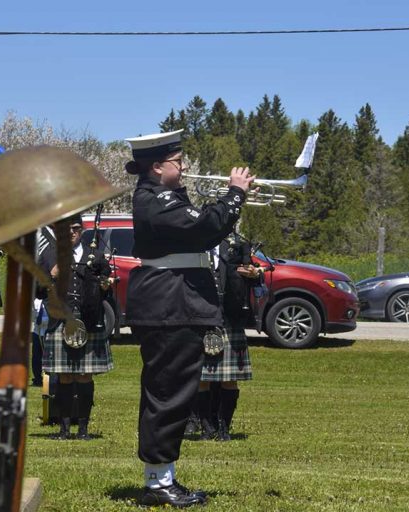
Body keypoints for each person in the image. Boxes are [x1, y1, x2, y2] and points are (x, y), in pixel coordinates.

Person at [124, 129, 252, 507]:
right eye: (179, 162)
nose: (185, 167)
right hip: (169, 304)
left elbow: (204, 226)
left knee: (173, 392)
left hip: (175, 302)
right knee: (168, 392)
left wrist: (232, 202)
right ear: (158, 166)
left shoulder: (165, 197)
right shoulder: (155, 198)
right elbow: (204, 228)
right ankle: (159, 483)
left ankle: (161, 478)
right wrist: (235, 194)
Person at [38, 214, 113, 440]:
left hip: (88, 322)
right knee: (64, 377)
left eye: (76, 228)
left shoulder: (96, 256)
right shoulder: (48, 255)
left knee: (84, 376)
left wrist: (105, 285)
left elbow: (106, 286)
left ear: (82, 230)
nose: (71, 232)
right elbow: (37, 291)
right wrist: (50, 276)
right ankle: (63, 429)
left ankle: (83, 429)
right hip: (60, 321)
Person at [196, 232, 261, 441]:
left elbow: (255, 275)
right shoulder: (194, 245)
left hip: (231, 318)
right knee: (201, 379)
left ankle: (224, 427)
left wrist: (254, 273)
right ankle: (207, 427)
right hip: (201, 317)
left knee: (230, 379)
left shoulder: (237, 245)